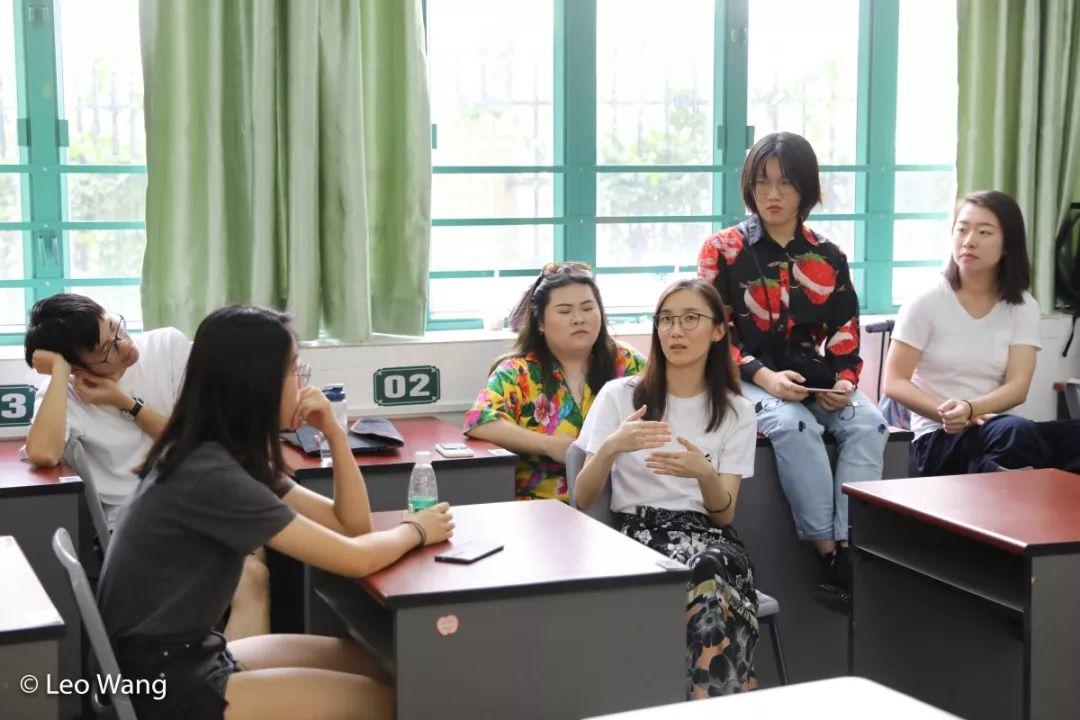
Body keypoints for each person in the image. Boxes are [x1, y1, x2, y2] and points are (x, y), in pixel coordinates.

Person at [97, 305, 454, 719]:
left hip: (188, 652)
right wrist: (416, 529)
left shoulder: (222, 452)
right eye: (294, 369)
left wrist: (334, 433)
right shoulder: (210, 473)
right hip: (162, 678)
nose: (302, 382)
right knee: (394, 703)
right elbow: (353, 558)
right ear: (258, 383)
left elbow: (352, 526)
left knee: (383, 665)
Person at [696, 131, 887, 602]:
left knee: (870, 423)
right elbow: (713, 330)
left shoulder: (829, 255)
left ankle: (853, 547)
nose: (772, 194)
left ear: (807, 189)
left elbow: (844, 329)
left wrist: (844, 382)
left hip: (811, 377)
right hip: (746, 378)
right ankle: (830, 556)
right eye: (762, 182)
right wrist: (764, 376)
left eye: (786, 183)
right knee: (793, 425)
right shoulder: (722, 249)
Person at [22, 293, 271, 640]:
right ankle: (226, 672)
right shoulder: (65, 394)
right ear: (77, 368)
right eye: (107, 351)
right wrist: (60, 373)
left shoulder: (167, 348)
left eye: (116, 327)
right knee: (251, 576)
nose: (124, 345)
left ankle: (228, 670)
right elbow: (43, 452)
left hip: (207, 500)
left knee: (255, 573)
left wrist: (125, 403)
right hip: (141, 527)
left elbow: (201, 443)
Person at [574, 279, 759, 696]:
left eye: (691, 319)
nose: (676, 331)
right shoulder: (619, 396)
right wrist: (612, 446)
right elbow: (582, 498)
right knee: (704, 581)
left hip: (709, 538)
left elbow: (724, 514)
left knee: (709, 569)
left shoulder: (737, 411)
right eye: (667, 320)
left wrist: (704, 474)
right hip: (638, 538)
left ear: (717, 330)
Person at [884, 190, 1080, 475]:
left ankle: (1020, 479)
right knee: (1016, 435)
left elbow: (1018, 387)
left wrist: (971, 408)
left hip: (999, 429)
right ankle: (1017, 483)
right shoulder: (927, 299)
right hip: (940, 436)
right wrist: (951, 414)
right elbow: (895, 381)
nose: (969, 241)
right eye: (961, 230)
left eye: (984, 232)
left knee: (1057, 436)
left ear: (1008, 245)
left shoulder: (1023, 306)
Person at [464, 262, 645, 501]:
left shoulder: (626, 362)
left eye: (587, 308)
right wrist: (549, 445)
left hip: (620, 501)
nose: (578, 319)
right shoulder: (518, 372)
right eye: (565, 311)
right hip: (542, 504)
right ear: (540, 322)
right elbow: (480, 421)